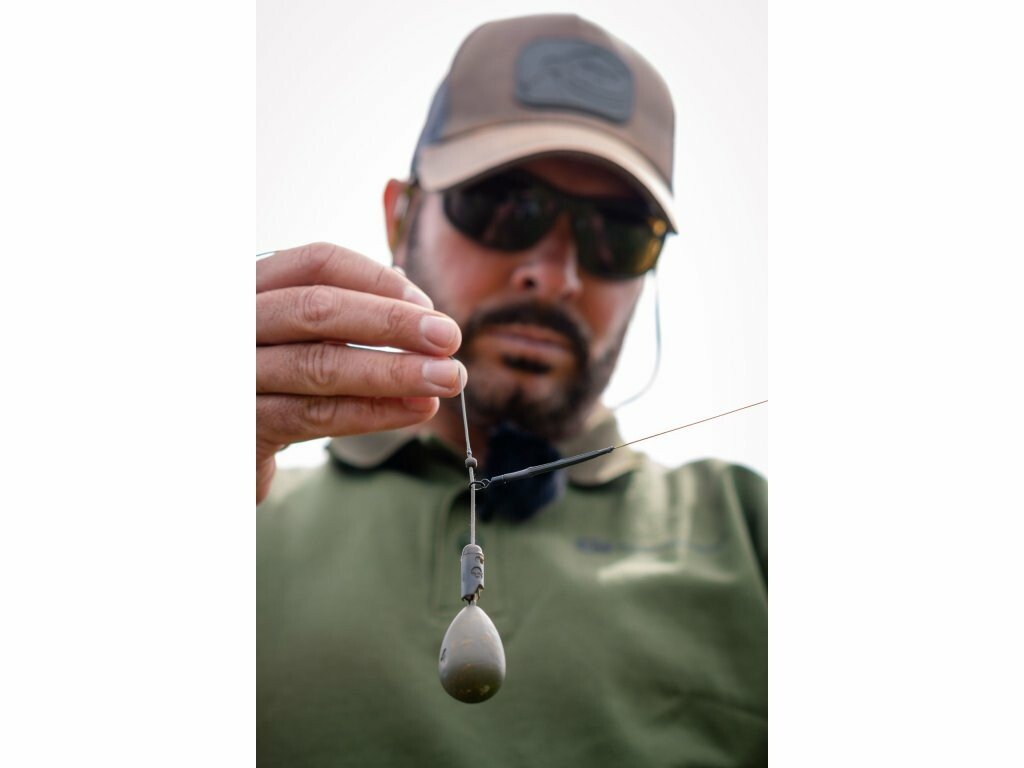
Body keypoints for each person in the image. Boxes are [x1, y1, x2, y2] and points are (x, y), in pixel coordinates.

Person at [257, 14, 766, 767]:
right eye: (505, 204)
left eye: (620, 233)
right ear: (401, 216)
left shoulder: (758, 537)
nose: (554, 275)